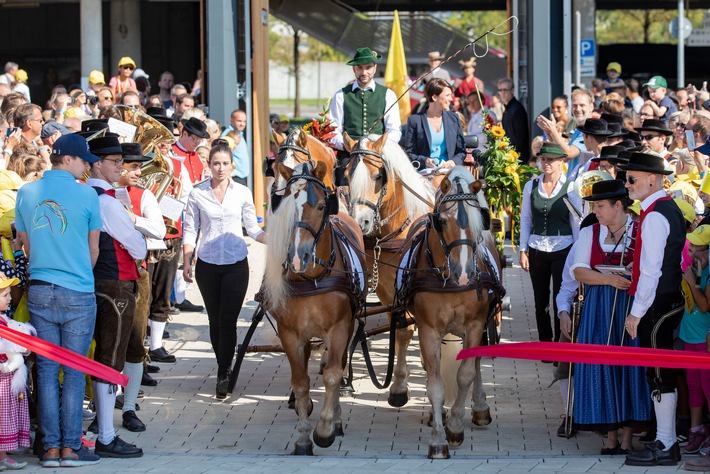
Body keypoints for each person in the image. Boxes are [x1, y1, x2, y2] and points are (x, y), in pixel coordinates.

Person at [15, 134, 102, 467]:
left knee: (48, 372)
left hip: (40, 286)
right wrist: (78, 272)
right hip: (77, 289)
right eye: (83, 160)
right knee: (74, 372)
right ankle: (70, 448)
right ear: (68, 160)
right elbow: (94, 249)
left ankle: (50, 448)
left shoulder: (27, 192)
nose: (87, 166)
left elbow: (25, 245)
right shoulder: (87, 194)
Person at [568, 179, 652, 455]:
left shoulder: (641, 229)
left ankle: (628, 437)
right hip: (599, 306)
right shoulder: (590, 232)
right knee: (601, 363)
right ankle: (611, 435)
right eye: (594, 205)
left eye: (600, 205)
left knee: (630, 366)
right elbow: (579, 271)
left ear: (618, 205)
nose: (596, 211)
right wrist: (608, 280)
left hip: (631, 305)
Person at [182, 141, 266, 399]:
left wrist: (274, 238)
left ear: (232, 165)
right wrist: (187, 260)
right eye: (216, 163)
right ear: (209, 165)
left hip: (235, 263)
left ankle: (223, 371)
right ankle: (223, 363)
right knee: (214, 320)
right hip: (207, 263)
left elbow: (252, 228)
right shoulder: (197, 193)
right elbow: (189, 229)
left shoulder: (242, 192)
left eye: (225, 164)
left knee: (228, 319)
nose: (220, 168)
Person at [621, 152, 685, 467]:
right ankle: (665, 440)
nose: (627, 184)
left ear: (652, 180)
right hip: (664, 300)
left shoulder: (657, 214)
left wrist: (636, 312)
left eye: (632, 179)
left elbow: (651, 271)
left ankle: (667, 443)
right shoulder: (661, 209)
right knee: (658, 374)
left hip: (658, 304)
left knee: (660, 375)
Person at [86, 134, 146, 459]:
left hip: (90, 282)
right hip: (115, 285)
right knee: (110, 359)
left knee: (98, 356)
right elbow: (139, 246)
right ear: (97, 163)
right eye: (114, 161)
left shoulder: (83, 195)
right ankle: (106, 435)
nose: (120, 166)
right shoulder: (107, 201)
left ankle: (98, 429)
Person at [117, 142, 166, 433]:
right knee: (108, 345)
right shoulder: (100, 193)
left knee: (135, 343)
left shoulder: (144, 194)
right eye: (133, 166)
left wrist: (133, 218)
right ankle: (102, 404)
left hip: (137, 273)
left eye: (138, 166)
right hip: (104, 275)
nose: (138, 171)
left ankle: (130, 407)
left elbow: (160, 229)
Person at [520, 143, 579, 344]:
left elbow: (576, 222)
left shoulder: (570, 187)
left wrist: (579, 252)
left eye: (551, 160)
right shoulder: (531, 185)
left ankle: (560, 344)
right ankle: (545, 343)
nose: (546, 163)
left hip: (564, 247)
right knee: (540, 300)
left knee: (561, 299)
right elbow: (526, 219)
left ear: (561, 162)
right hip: (537, 248)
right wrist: (522, 249)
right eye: (543, 159)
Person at [327, 47, 402, 153]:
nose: (364, 72)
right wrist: (349, 146)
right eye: (360, 68)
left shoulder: (388, 95)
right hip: (349, 154)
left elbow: (394, 130)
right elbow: (333, 130)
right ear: (354, 69)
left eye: (368, 67)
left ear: (375, 68)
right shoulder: (340, 95)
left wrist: (378, 146)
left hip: (379, 154)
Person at [0, 272, 29, 471]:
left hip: (7, 376)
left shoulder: (5, 321)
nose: (10, 298)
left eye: (9, 294)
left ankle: (2, 455)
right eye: (5, 295)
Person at [403, 78, 465, 170]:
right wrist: (424, 161)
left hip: (450, 173)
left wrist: (453, 161)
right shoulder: (414, 120)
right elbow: (410, 153)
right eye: (447, 95)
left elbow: (461, 151)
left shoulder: (454, 119)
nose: (451, 99)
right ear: (434, 97)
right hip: (424, 174)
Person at [497, 78, 530, 163]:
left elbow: (520, 137)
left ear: (512, 91)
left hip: (517, 157)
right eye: (500, 90)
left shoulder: (517, 109)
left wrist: (514, 156)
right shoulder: (508, 109)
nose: (503, 93)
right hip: (510, 155)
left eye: (505, 90)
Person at [221, 109, 249, 185]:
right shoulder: (229, 135)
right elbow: (222, 155)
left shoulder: (238, 133)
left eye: (244, 121)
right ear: (231, 120)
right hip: (234, 177)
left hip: (240, 176)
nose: (242, 124)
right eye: (239, 121)